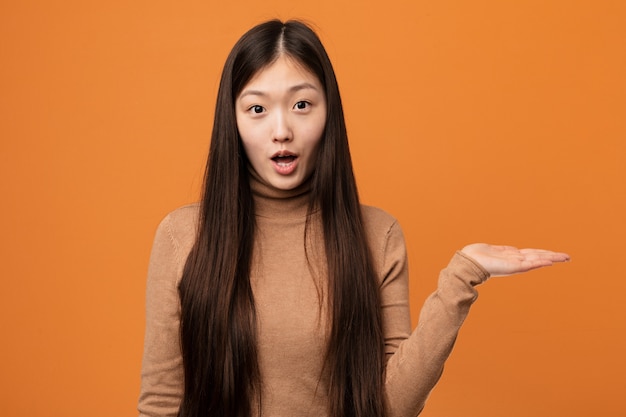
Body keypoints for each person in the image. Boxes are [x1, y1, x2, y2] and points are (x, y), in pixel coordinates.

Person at [138, 19, 569, 417]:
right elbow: (160, 404)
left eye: (303, 104)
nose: (281, 129)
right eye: (257, 109)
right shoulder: (183, 236)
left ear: (330, 114)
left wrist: (462, 277)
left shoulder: (377, 235)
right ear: (231, 121)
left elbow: (389, 405)